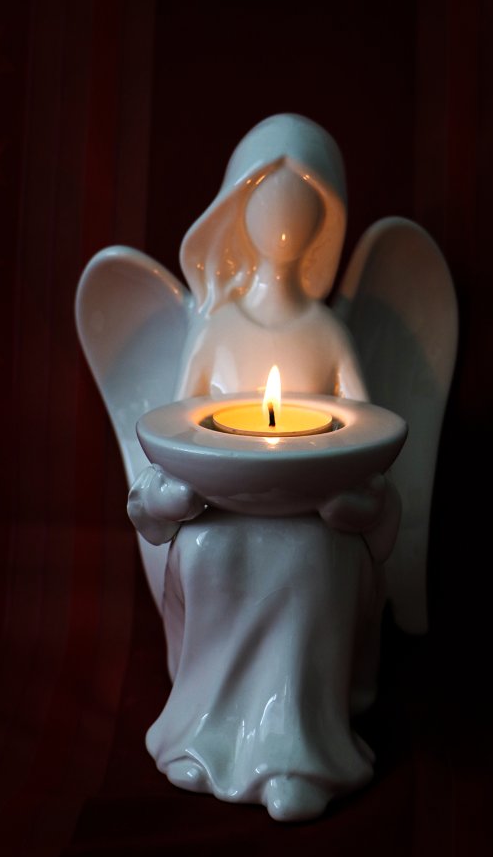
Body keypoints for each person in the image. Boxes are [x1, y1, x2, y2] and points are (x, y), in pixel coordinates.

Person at [128, 115, 400, 821]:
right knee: (207, 550)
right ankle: (201, 734)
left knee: (317, 558)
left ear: (323, 224)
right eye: (268, 201)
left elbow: (365, 432)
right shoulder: (214, 330)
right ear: (237, 210)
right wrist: (163, 499)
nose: (284, 219)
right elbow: (173, 430)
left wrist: (361, 503)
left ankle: (296, 755)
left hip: (316, 517)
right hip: (218, 511)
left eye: (303, 206)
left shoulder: (326, 333)